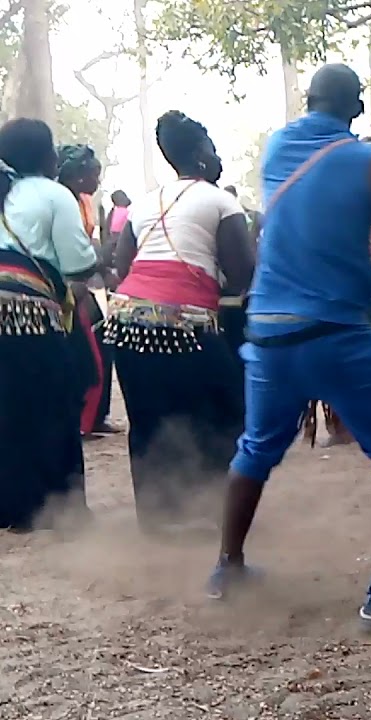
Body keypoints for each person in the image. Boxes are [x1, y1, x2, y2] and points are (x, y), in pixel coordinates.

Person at [206, 63, 371, 631]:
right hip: (337, 333)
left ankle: (227, 568)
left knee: (256, 448)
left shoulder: (278, 149)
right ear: (357, 106)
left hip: (270, 330)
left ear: (309, 100)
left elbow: (360, 157)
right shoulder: (369, 167)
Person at [107, 111, 256, 532]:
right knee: (226, 408)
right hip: (184, 321)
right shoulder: (220, 200)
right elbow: (242, 272)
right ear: (199, 155)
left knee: (149, 415)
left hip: (125, 319)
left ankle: (157, 519)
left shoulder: (143, 202)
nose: (217, 155)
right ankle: (212, 511)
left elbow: (123, 267)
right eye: (211, 147)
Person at [0, 119, 100, 531]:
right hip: (30, 314)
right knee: (55, 403)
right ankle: (60, 509)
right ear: (47, 155)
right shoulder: (55, 194)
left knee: (8, 407)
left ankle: (12, 507)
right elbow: (79, 263)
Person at [57, 144, 119, 437]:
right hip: (69, 286)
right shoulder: (61, 200)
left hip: (86, 284)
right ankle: (83, 423)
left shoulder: (85, 202)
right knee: (89, 355)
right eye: (95, 174)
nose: (98, 181)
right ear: (79, 176)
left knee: (101, 347)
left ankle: (95, 418)